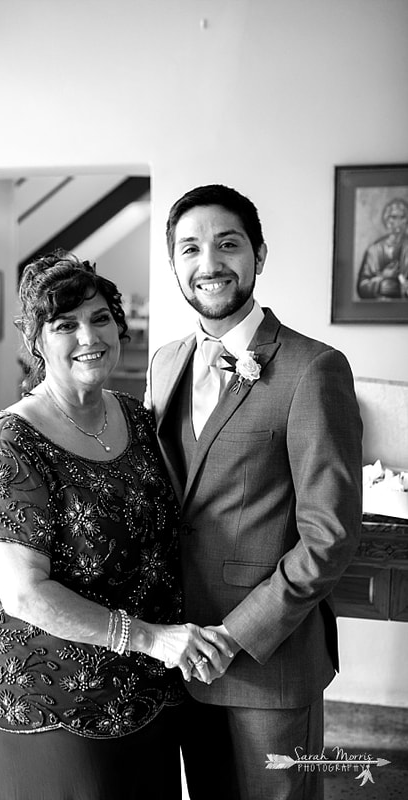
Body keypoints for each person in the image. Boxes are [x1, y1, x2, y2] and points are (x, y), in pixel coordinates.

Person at [0, 251, 233, 800]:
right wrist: (152, 638)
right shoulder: (9, 446)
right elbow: (25, 596)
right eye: (65, 325)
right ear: (36, 341)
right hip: (43, 691)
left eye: (101, 318)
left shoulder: (138, 417)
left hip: (148, 683)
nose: (89, 336)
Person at [149, 184, 362, 799]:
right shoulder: (165, 363)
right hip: (179, 651)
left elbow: (330, 534)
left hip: (267, 657)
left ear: (259, 255)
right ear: (174, 267)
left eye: (227, 244)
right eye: (190, 248)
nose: (208, 263)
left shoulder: (312, 368)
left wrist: (235, 634)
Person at [356, 197, 408, 300]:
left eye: (402, 217)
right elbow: (362, 287)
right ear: (387, 219)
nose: (398, 222)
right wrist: (382, 279)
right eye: (393, 217)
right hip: (379, 310)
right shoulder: (374, 250)